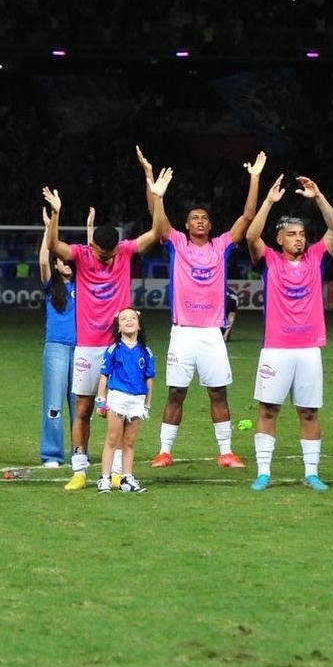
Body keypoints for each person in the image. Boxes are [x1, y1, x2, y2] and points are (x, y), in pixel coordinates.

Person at [42, 163, 170, 490]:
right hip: (87, 345)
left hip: (121, 345)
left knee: (126, 412)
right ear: (93, 247)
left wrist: (157, 198)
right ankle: (80, 470)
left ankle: (116, 471)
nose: (107, 258)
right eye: (103, 253)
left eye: (111, 252)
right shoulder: (82, 255)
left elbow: (157, 233)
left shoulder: (125, 251)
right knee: (83, 408)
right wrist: (55, 215)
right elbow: (54, 247)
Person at [142, 148, 265, 469]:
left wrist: (254, 179)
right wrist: (154, 189)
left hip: (212, 333)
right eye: (194, 217)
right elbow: (158, 222)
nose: (199, 221)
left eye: (204, 218)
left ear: (210, 226)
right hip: (182, 333)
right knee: (175, 394)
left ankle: (226, 452)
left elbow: (248, 218)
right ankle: (164, 451)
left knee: (218, 394)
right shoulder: (177, 243)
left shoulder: (223, 245)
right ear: (186, 224)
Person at [243, 173, 333, 491]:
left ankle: (311, 472)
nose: (299, 239)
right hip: (276, 348)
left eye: (302, 234)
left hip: (309, 349)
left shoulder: (317, 258)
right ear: (280, 240)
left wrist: (318, 197)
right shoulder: (269, 261)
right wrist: (269, 203)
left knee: (309, 411)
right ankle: (263, 472)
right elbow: (250, 236)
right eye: (292, 234)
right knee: (268, 409)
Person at [96, 308, 155, 493]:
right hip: (118, 398)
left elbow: (149, 379)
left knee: (129, 441)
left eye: (132, 318)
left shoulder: (146, 352)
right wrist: (100, 400)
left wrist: (147, 404)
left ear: (139, 324)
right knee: (113, 439)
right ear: (119, 327)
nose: (129, 321)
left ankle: (126, 478)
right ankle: (105, 478)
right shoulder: (114, 349)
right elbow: (104, 376)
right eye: (124, 319)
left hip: (137, 400)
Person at [38, 207, 76, 468]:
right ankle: (52, 454)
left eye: (70, 261)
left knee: (80, 405)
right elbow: (43, 260)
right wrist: (48, 229)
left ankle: (79, 451)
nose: (67, 264)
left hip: (83, 349)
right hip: (56, 349)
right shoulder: (53, 287)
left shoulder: (85, 285)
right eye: (62, 260)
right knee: (54, 403)